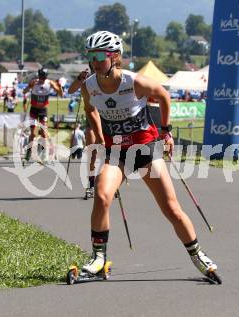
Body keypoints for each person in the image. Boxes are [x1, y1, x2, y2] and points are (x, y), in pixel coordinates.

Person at [80, 30, 219, 279]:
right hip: (116, 153)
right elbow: (90, 110)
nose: (94, 61)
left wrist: (166, 132)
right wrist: (100, 137)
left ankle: (198, 255)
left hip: (145, 151)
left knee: (171, 209)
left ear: (115, 57)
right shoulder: (89, 86)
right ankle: (98, 257)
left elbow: (164, 96)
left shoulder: (135, 82)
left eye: (100, 55)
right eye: (91, 56)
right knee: (101, 196)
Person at [22, 68, 63, 162]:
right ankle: (28, 151)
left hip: (43, 111)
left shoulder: (50, 83)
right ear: (38, 76)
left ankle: (44, 154)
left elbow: (60, 94)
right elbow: (24, 92)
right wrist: (29, 86)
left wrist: (59, 87)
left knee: (44, 132)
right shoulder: (34, 82)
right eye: (41, 77)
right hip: (33, 110)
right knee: (33, 134)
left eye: (44, 77)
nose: (42, 79)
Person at [68, 68, 97, 198]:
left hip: (108, 120)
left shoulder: (109, 77)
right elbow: (70, 90)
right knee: (92, 154)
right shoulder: (87, 79)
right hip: (91, 121)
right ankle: (90, 186)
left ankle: (109, 184)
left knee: (109, 155)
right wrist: (80, 78)